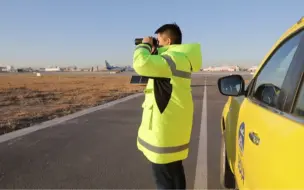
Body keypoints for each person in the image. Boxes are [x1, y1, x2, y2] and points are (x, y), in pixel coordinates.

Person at [132, 23, 202, 189]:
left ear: (169, 41)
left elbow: (141, 64)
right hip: (173, 129)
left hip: (163, 133)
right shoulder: (179, 59)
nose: (157, 43)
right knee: (175, 173)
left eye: (159, 40)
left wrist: (145, 44)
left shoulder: (171, 59)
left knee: (163, 179)